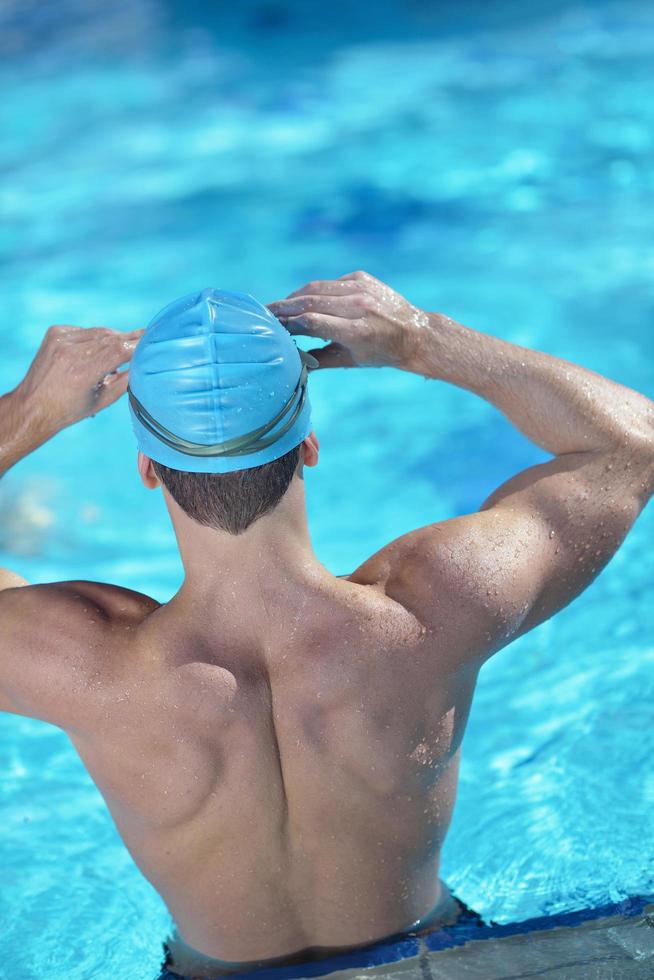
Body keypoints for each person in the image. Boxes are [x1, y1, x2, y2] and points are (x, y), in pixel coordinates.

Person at [0, 273, 652, 980]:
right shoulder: (434, 610)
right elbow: (632, 444)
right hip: (446, 959)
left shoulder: (79, 665)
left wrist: (32, 413)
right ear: (309, 445)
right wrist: (426, 340)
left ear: (148, 470)